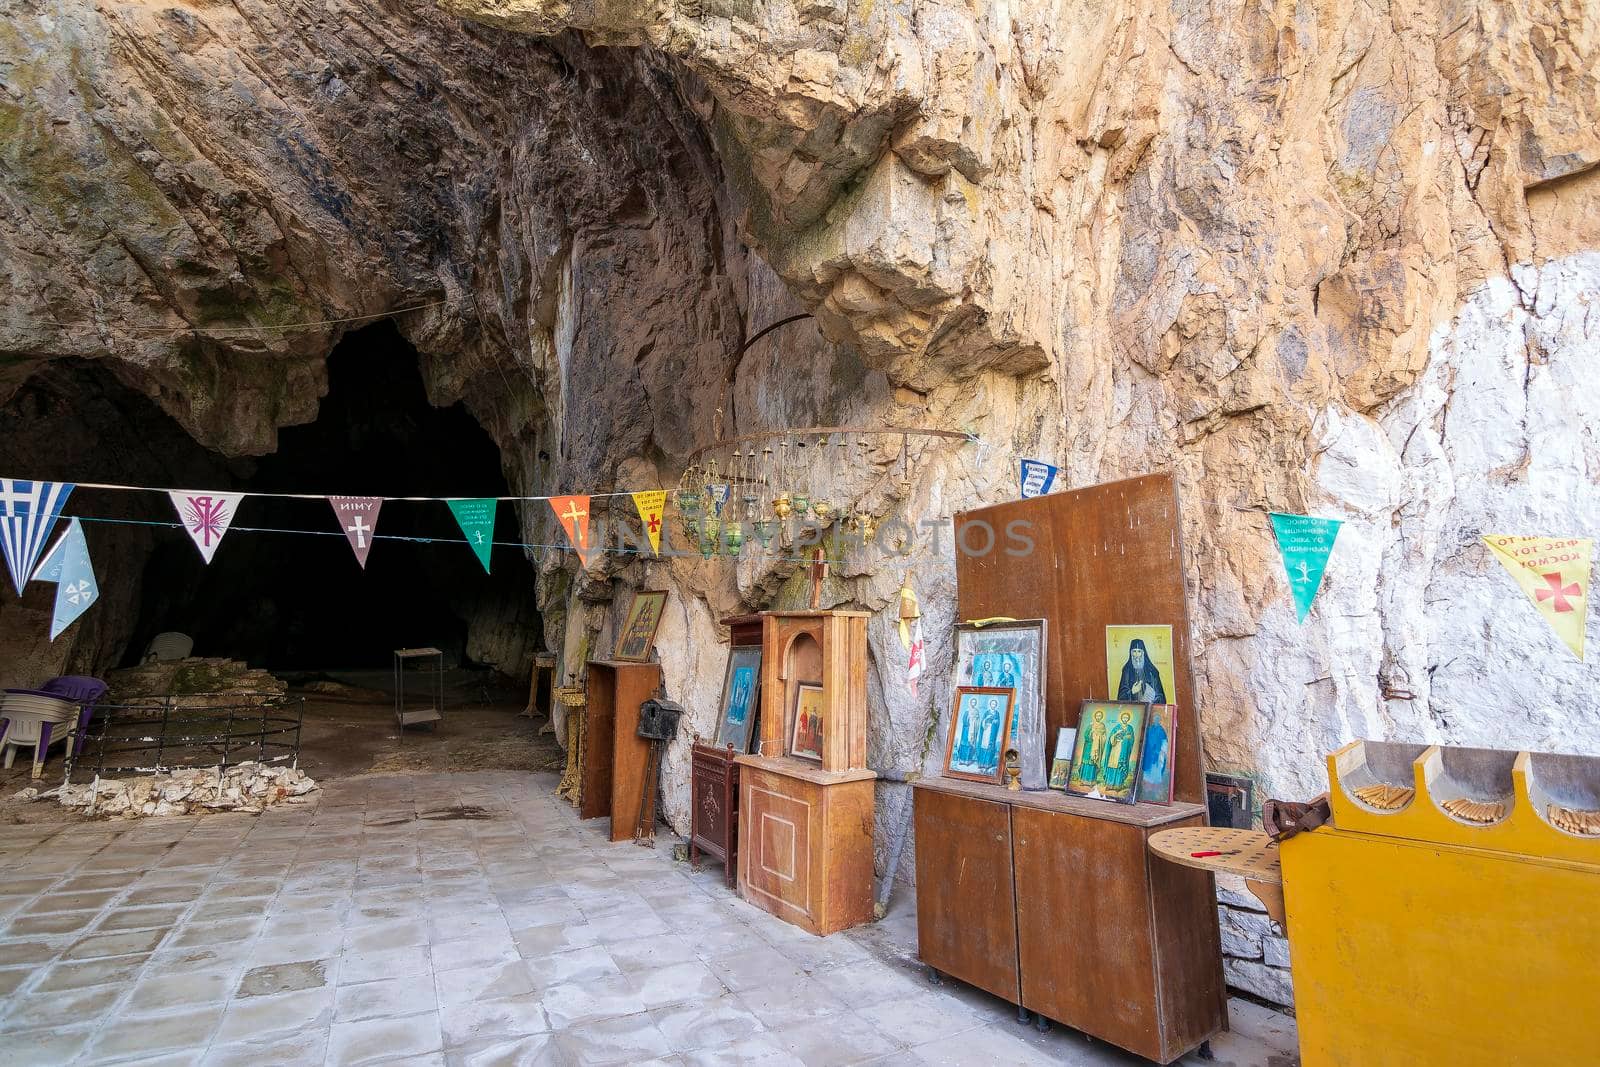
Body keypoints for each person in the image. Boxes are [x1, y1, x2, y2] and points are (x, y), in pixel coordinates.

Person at [1116, 638, 1167, 703]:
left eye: (1139, 651)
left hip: (1149, 709)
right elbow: (1120, 697)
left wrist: (1153, 699)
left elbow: (1161, 696)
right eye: (1134, 651)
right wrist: (1132, 691)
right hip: (1132, 709)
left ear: (1143, 653)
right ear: (1131, 653)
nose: (1136, 655)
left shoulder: (1152, 671)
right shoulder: (1127, 670)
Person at [1101, 710, 1138, 791]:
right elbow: (1111, 739)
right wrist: (1116, 734)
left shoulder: (1130, 728)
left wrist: (1126, 739)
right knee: (1112, 765)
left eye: (1127, 718)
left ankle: (1118, 785)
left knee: (1119, 766)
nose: (1125, 719)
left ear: (1128, 719)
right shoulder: (1117, 727)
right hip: (1115, 749)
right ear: (1121, 718)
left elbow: (1132, 740)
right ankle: (1109, 785)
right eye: (1124, 717)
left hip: (1123, 751)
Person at [1077, 708, 1107, 783]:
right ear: (1095, 716)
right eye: (1097, 716)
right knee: (1086, 762)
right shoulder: (1091, 725)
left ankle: (1091, 781)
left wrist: (1098, 737)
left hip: (1096, 748)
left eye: (1100, 716)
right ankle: (1083, 780)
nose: (1098, 717)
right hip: (1089, 746)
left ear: (1102, 717)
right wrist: (1091, 733)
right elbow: (1085, 735)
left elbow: (1104, 737)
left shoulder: (1102, 726)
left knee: (1093, 762)